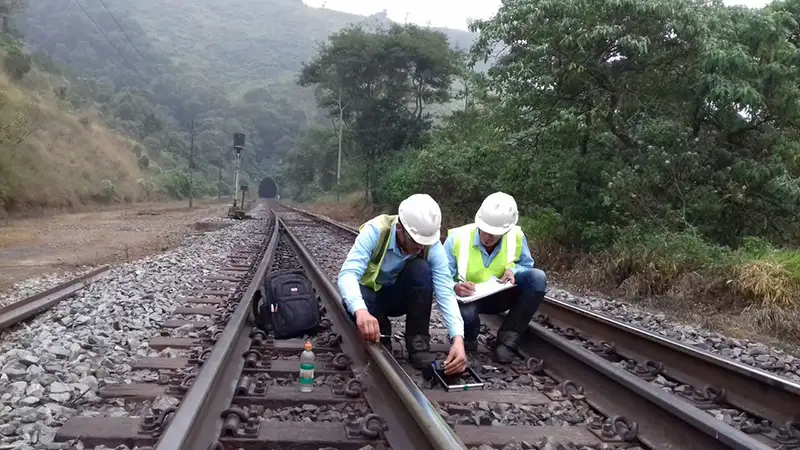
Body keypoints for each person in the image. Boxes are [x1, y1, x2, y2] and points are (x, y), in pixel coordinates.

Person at [337, 193, 467, 375]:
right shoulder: (376, 231)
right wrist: (360, 311)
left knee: (421, 268)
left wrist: (458, 339)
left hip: (398, 298)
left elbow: (445, 291)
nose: (421, 248)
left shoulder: (430, 244)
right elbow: (347, 274)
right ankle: (381, 335)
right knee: (357, 296)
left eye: (425, 243)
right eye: (416, 242)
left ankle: (418, 345)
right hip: (370, 300)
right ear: (399, 229)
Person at [443, 192, 547, 363]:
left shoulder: (516, 236)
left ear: (506, 230)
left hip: (501, 296)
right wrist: (455, 286)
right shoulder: (457, 238)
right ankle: (469, 337)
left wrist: (514, 270)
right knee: (467, 317)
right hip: (468, 301)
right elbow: (441, 277)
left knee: (538, 277)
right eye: (485, 231)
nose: (487, 237)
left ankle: (507, 341)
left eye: (494, 234)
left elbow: (527, 265)